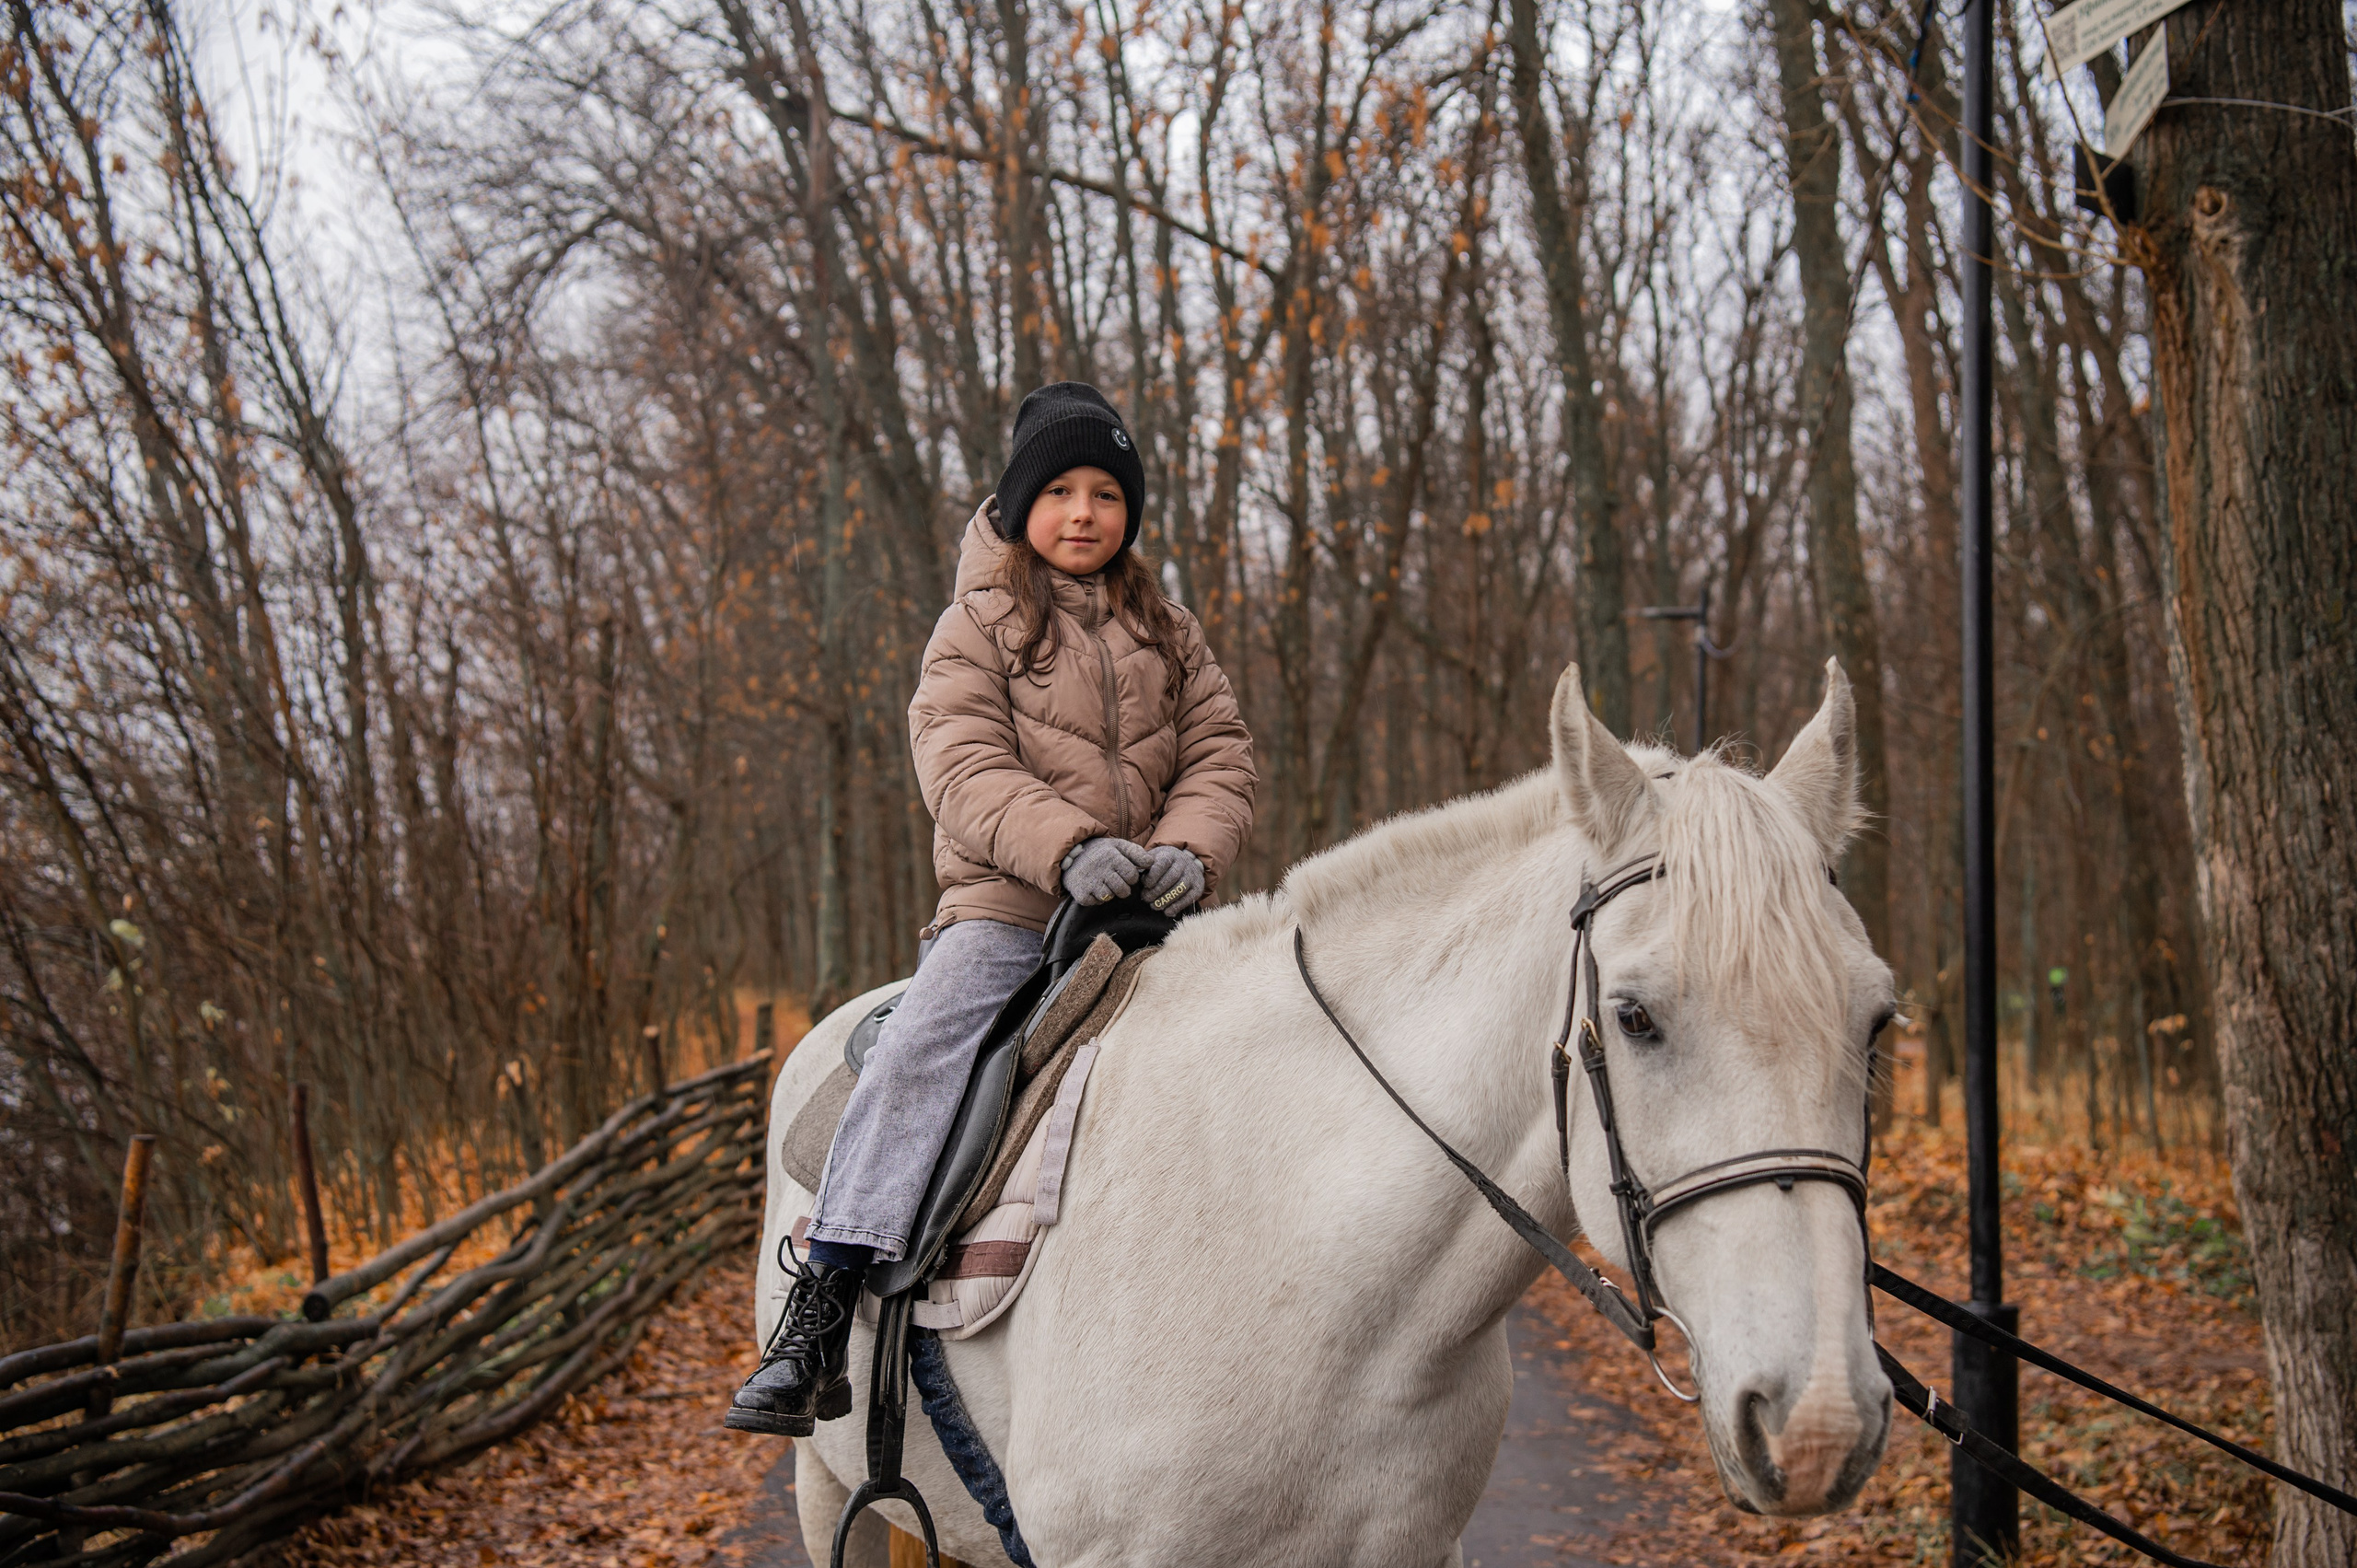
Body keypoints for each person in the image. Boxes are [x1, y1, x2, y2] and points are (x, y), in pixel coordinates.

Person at [728, 382, 1257, 1436]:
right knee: (926, 1041)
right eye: (1057, 489)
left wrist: (1187, 852)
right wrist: (1067, 848)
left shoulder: (1170, 627)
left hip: (1151, 914)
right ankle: (822, 1303)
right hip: (1011, 911)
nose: (1082, 513)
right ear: (1018, 506)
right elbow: (961, 762)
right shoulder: (975, 625)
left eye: (1106, 493)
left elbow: (1219, 753)